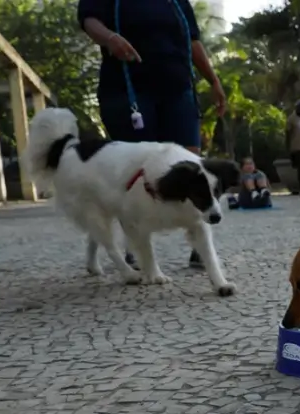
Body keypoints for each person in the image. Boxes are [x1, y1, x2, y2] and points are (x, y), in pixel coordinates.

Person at [78, 0, 226, 268]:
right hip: (127, 89)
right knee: (134, 172)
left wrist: (214, 81)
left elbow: (192, 41)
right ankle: (135, 246)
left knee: (192, 167)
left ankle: (199, 245)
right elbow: (89, 19)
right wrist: (110, 39)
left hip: (179, 89)